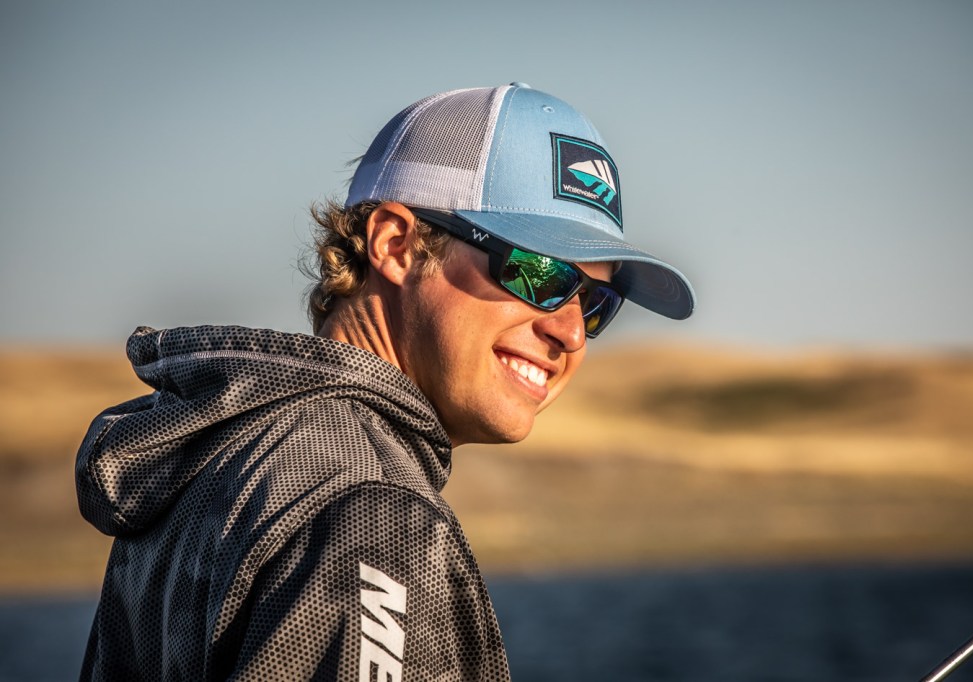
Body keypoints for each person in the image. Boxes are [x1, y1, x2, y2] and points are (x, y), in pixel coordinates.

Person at [75, 82, 695, 681]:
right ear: (396, 245)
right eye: (539, 274)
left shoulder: (219, 455)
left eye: (596, 303)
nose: (571, 332)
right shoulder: (371, 513)